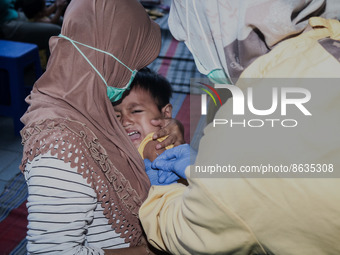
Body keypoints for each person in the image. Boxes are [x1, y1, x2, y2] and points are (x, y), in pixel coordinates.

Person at [139, 0, 340, 254]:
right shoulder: (327, 41)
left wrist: (161, 193)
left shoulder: (242, 126)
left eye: (191, 38)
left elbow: (191, 232)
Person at [18, 0, 181, 254]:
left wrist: (168, 127)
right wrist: (145, 251)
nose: (135, 73)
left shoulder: (90, 108)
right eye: (132, 61)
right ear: (110, 56)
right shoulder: (60, 146)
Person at [113, 67, 187, 185]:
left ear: (166, 113)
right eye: (116, 116)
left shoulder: (153, 144)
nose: (125, 122)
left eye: (136, 111)